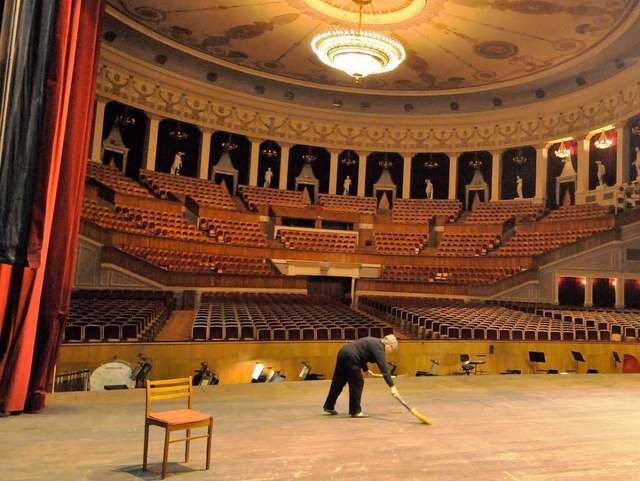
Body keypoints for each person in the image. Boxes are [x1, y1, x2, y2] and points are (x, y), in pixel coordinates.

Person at [323, 334, 399, 418]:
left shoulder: (374, 342)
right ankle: (355, 411)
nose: (390, 352)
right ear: (389, 346)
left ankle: (329, 406)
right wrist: (392, 387)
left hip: (344, 352)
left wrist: (366, 369)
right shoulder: (379, 348)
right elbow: (385, 371)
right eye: (392, 349)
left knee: (339, 382)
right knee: (358, 383)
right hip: (351, 358)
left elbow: (362, 354)